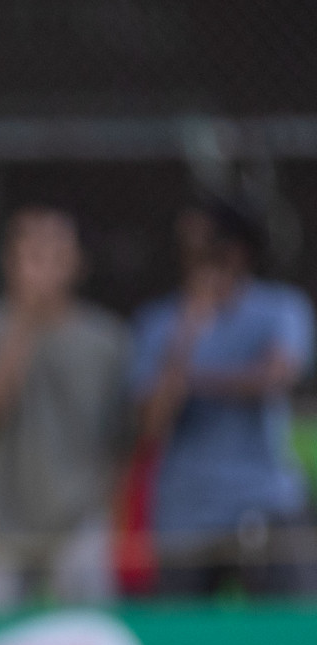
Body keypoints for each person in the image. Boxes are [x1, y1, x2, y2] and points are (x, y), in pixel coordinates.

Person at [133, 196, 317, 597]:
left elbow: (276, 377)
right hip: (184, 513)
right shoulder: (160, 322)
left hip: (265, 501)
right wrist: (189, 329)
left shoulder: (280, 308)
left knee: (289, 635)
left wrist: (193, 380)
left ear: (239, 251)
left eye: (212, 247)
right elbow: (150, 425)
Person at [0, 207, 130, 612]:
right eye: (32, 252)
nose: (42, 266)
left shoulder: (106, 341)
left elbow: (122, 441)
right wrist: (25, 321)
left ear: (78, 264)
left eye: (55, 253)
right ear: (10, 261)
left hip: (79, 521)